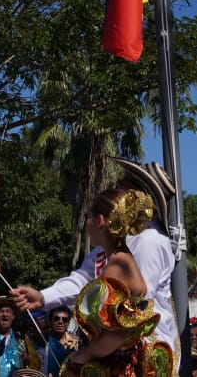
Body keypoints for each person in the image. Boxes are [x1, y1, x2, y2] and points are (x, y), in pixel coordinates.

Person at [12, 159, 179, 349]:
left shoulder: (149, 240)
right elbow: (83, 279)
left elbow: (134, 309)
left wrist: (90, 353)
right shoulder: (115, 241)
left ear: (140, 196)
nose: (119, 188)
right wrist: (43, 297)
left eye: (125, 184)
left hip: (145, 352)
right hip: (118, 347)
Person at [58, 188, 174, 377]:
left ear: (100, 221)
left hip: (118, 367)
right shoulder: (125, 258)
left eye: (88, 217)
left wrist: (86, 354)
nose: (86, 225)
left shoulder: (117, 265)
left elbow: (119, 332)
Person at [0, 298, 43, 377]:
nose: (5, 314)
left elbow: (37, 365)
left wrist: (26, 358)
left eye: (8, 311)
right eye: (1, 311)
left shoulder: (22, 338)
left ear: (13, 317)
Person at [39, 306, 78, 375]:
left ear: (68, 323)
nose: (60, 322)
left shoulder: (75, 342)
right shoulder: (42, 339)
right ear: (51, 321)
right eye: (56, 319)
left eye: (65, 319)